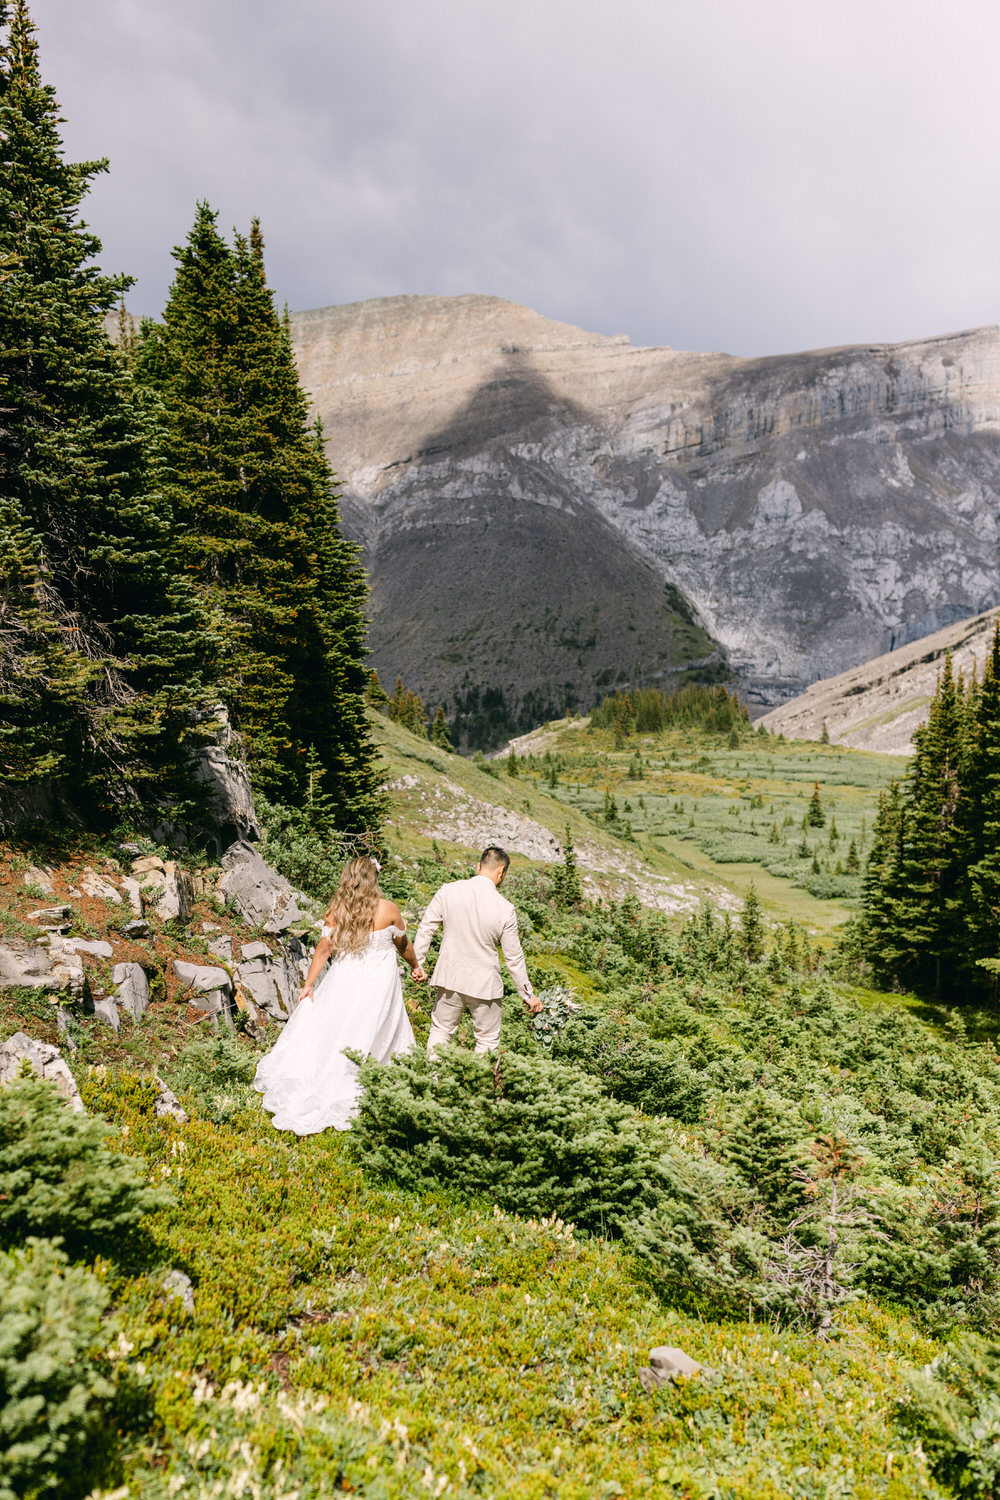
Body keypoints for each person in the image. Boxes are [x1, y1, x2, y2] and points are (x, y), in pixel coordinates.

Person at [254, 856, 425, 1135]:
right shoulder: (389, 909)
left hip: (345, 977)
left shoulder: (337, 910)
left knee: (339, 1024)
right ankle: (375, 1077)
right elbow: (403, 945)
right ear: (374, 879)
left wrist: (309, 984)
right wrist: (416, 966)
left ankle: (336, 1073)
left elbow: (323, 948)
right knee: (376, 1024)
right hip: (378, 980)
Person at [413, 845, 543, 1054]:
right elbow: (513, 957)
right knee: (487, 1041)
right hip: (484, 985)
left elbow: (426, 927)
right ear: (501, 872)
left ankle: (432, 1080)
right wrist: (527, 993)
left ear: (478, 866)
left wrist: (417, 963)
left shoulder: (448, 890)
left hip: (449, 977)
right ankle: (478, 1086)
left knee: (441, 1031)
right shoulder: (505, 908)